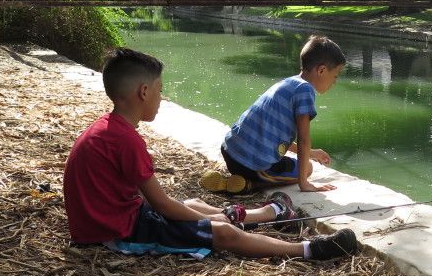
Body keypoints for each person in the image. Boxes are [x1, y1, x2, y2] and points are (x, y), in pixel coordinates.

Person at [63, 47, 357, 261]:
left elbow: (154, 200)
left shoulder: (109, 128)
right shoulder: (125, 140)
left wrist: (196, 216)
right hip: (116, 233)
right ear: (143, 92)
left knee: (192, 203)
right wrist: (208, 224)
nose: (161, 97)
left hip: (117, 215)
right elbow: (163, 205)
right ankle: (309, 250)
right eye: (159, 90)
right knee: (222, 234)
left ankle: (265, 214)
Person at [200, 35, 345, 196]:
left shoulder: (288, 83)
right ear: (322, 70)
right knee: (307, 169)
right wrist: (304, 183)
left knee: (301, 164)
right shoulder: (305, 91)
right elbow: (304, 139)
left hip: (231, 152)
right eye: (335, 76)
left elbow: (275, 135)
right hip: (253, 165)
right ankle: (247, 185)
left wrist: (311, 152)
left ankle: (236, 179)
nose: (335, 82)